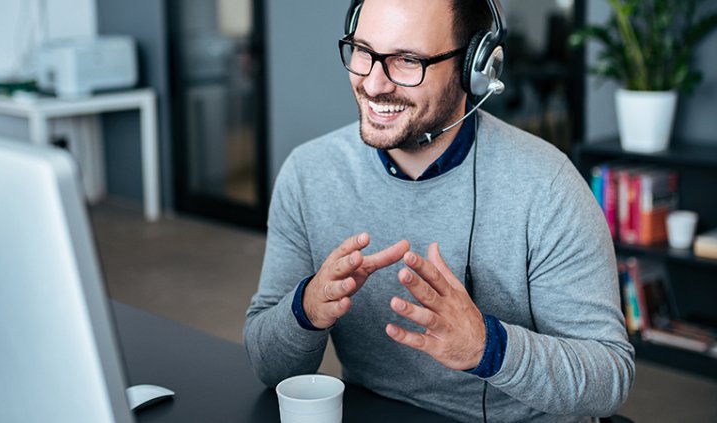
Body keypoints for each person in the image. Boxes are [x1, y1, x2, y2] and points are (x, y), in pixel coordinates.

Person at [244, 0, 635, 421]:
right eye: (362, 50)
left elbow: (608, 379)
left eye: (407, 60)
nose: (374, 84)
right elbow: (270, 367)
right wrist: (306, 308)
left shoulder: (548, 187)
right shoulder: (309, 173)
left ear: (474, 67)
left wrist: (489, 347)